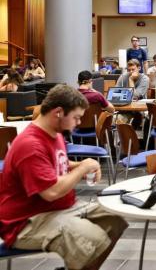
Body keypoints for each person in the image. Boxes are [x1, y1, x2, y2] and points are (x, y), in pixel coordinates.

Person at [0, 84, 128, 270]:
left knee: (114, 220)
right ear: (58, 112)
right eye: (76, 117)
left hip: (57, 208)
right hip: (26, 222)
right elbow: (51, 192)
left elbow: (56, 163)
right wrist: (83, 167)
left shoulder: (54, 131)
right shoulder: (30, 145)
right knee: (95, 239)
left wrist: (80, 167)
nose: (78, 123)